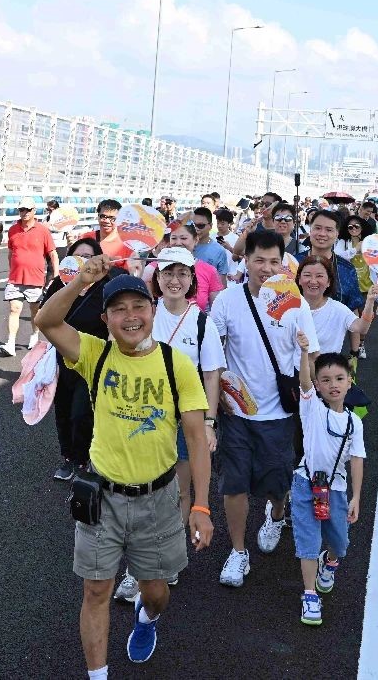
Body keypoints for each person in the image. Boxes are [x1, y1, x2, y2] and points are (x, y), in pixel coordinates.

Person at [36, 260, 214, 674]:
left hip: (158, 499)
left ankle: (147, 617)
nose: (130, 317)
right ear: (105, 318)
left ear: (152, 310)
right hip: (102, 496)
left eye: (139, 306)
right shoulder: (93, 354)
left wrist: (201, 506)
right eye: (119, 309)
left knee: (156, 593)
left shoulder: (176, 365)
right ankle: (98, 674)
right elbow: (47, 320)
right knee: (96, 590)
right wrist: (82, 280)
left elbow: (195, 440)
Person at [112, 245, 225, 603]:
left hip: (185, 421)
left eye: (182, 274)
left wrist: (209, 422)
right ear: (156, 279)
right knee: (138, 494)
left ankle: (167, 559)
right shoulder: (145, 315)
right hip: (143, 418)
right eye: (167, 274)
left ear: (192, 279)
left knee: (179, 493)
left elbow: (211, 375)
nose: (174, 280)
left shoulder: (203, 321)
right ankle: (136, 569)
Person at [211, 229, 320, 587]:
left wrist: (310, 396)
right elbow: (213, 349)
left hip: (279, 412)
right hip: (237, 410)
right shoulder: (228, 300)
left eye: (275, 260)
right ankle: (238, 552)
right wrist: (219, 394)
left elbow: (311, 354)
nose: (267, 267)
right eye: (259, 259)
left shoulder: (296, 303)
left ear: (284, 262)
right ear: (245, 260)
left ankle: (276, 514)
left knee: (278, 480)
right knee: (235, 482)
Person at [290, 337, 365, 627]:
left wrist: (356, 496)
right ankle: (309, 595)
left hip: (335, 489)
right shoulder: (312, 410)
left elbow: (357, 459)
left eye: (339, 378)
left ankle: (330, 562)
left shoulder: (353, 422)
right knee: (307, 542)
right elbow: (304, 381)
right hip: (305, 484)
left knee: (340, 542)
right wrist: (305, 352)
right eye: (325, 380)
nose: (333, 384)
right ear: (318, 386)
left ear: (349, 382)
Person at [41, 237, 122, 482]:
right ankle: (68, 457)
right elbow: (45, 315)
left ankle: (82, 458)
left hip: (92, 360)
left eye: (89, 257)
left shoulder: (106, 286)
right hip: (61, 357)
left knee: (82, 412)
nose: (83, 262)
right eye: (78, 256)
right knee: (62, 411)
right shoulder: (60, 285)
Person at [0, 198, 58, 357]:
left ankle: (34, 335)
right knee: (14, 308)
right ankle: (10, 343)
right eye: (21, 210)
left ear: (34, 211)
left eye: (27, 210)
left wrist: (57, 275)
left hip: (36, 278)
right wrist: (11, 270)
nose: (24, 213)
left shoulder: (43, 230)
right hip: (15, 278)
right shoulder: (13, 230)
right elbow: (11, 253)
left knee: (35, 311)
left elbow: (53, 254)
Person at [296, 256, 378, 356]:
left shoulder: (338, 309)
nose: (313, 281)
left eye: (319, 276)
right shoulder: (288, 307)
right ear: (299, 279)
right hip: (292, 370)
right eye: (307, 275)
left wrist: (370, 301)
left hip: (326, 369)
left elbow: (362, 327)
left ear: (329, 282)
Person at [142, 221, 224, 311]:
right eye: (173, 238)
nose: (178, 243)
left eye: (183, 238)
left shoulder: (209, 271)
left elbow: (217, 310)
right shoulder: (155, 267)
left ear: (196, 240)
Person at [297, 210, 365, 313]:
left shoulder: (347, 269)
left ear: (337, 234)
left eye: (329, 230)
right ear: (310, 230)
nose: (322, 234)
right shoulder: (294, 262)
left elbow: (353, 309)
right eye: (318, 228)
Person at [191, 205, 230, 282]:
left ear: (210, 226)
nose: (196, 229)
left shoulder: (219, 251)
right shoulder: (184, 246)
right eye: (193, 225)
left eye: (200, 226)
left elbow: (222, 283)